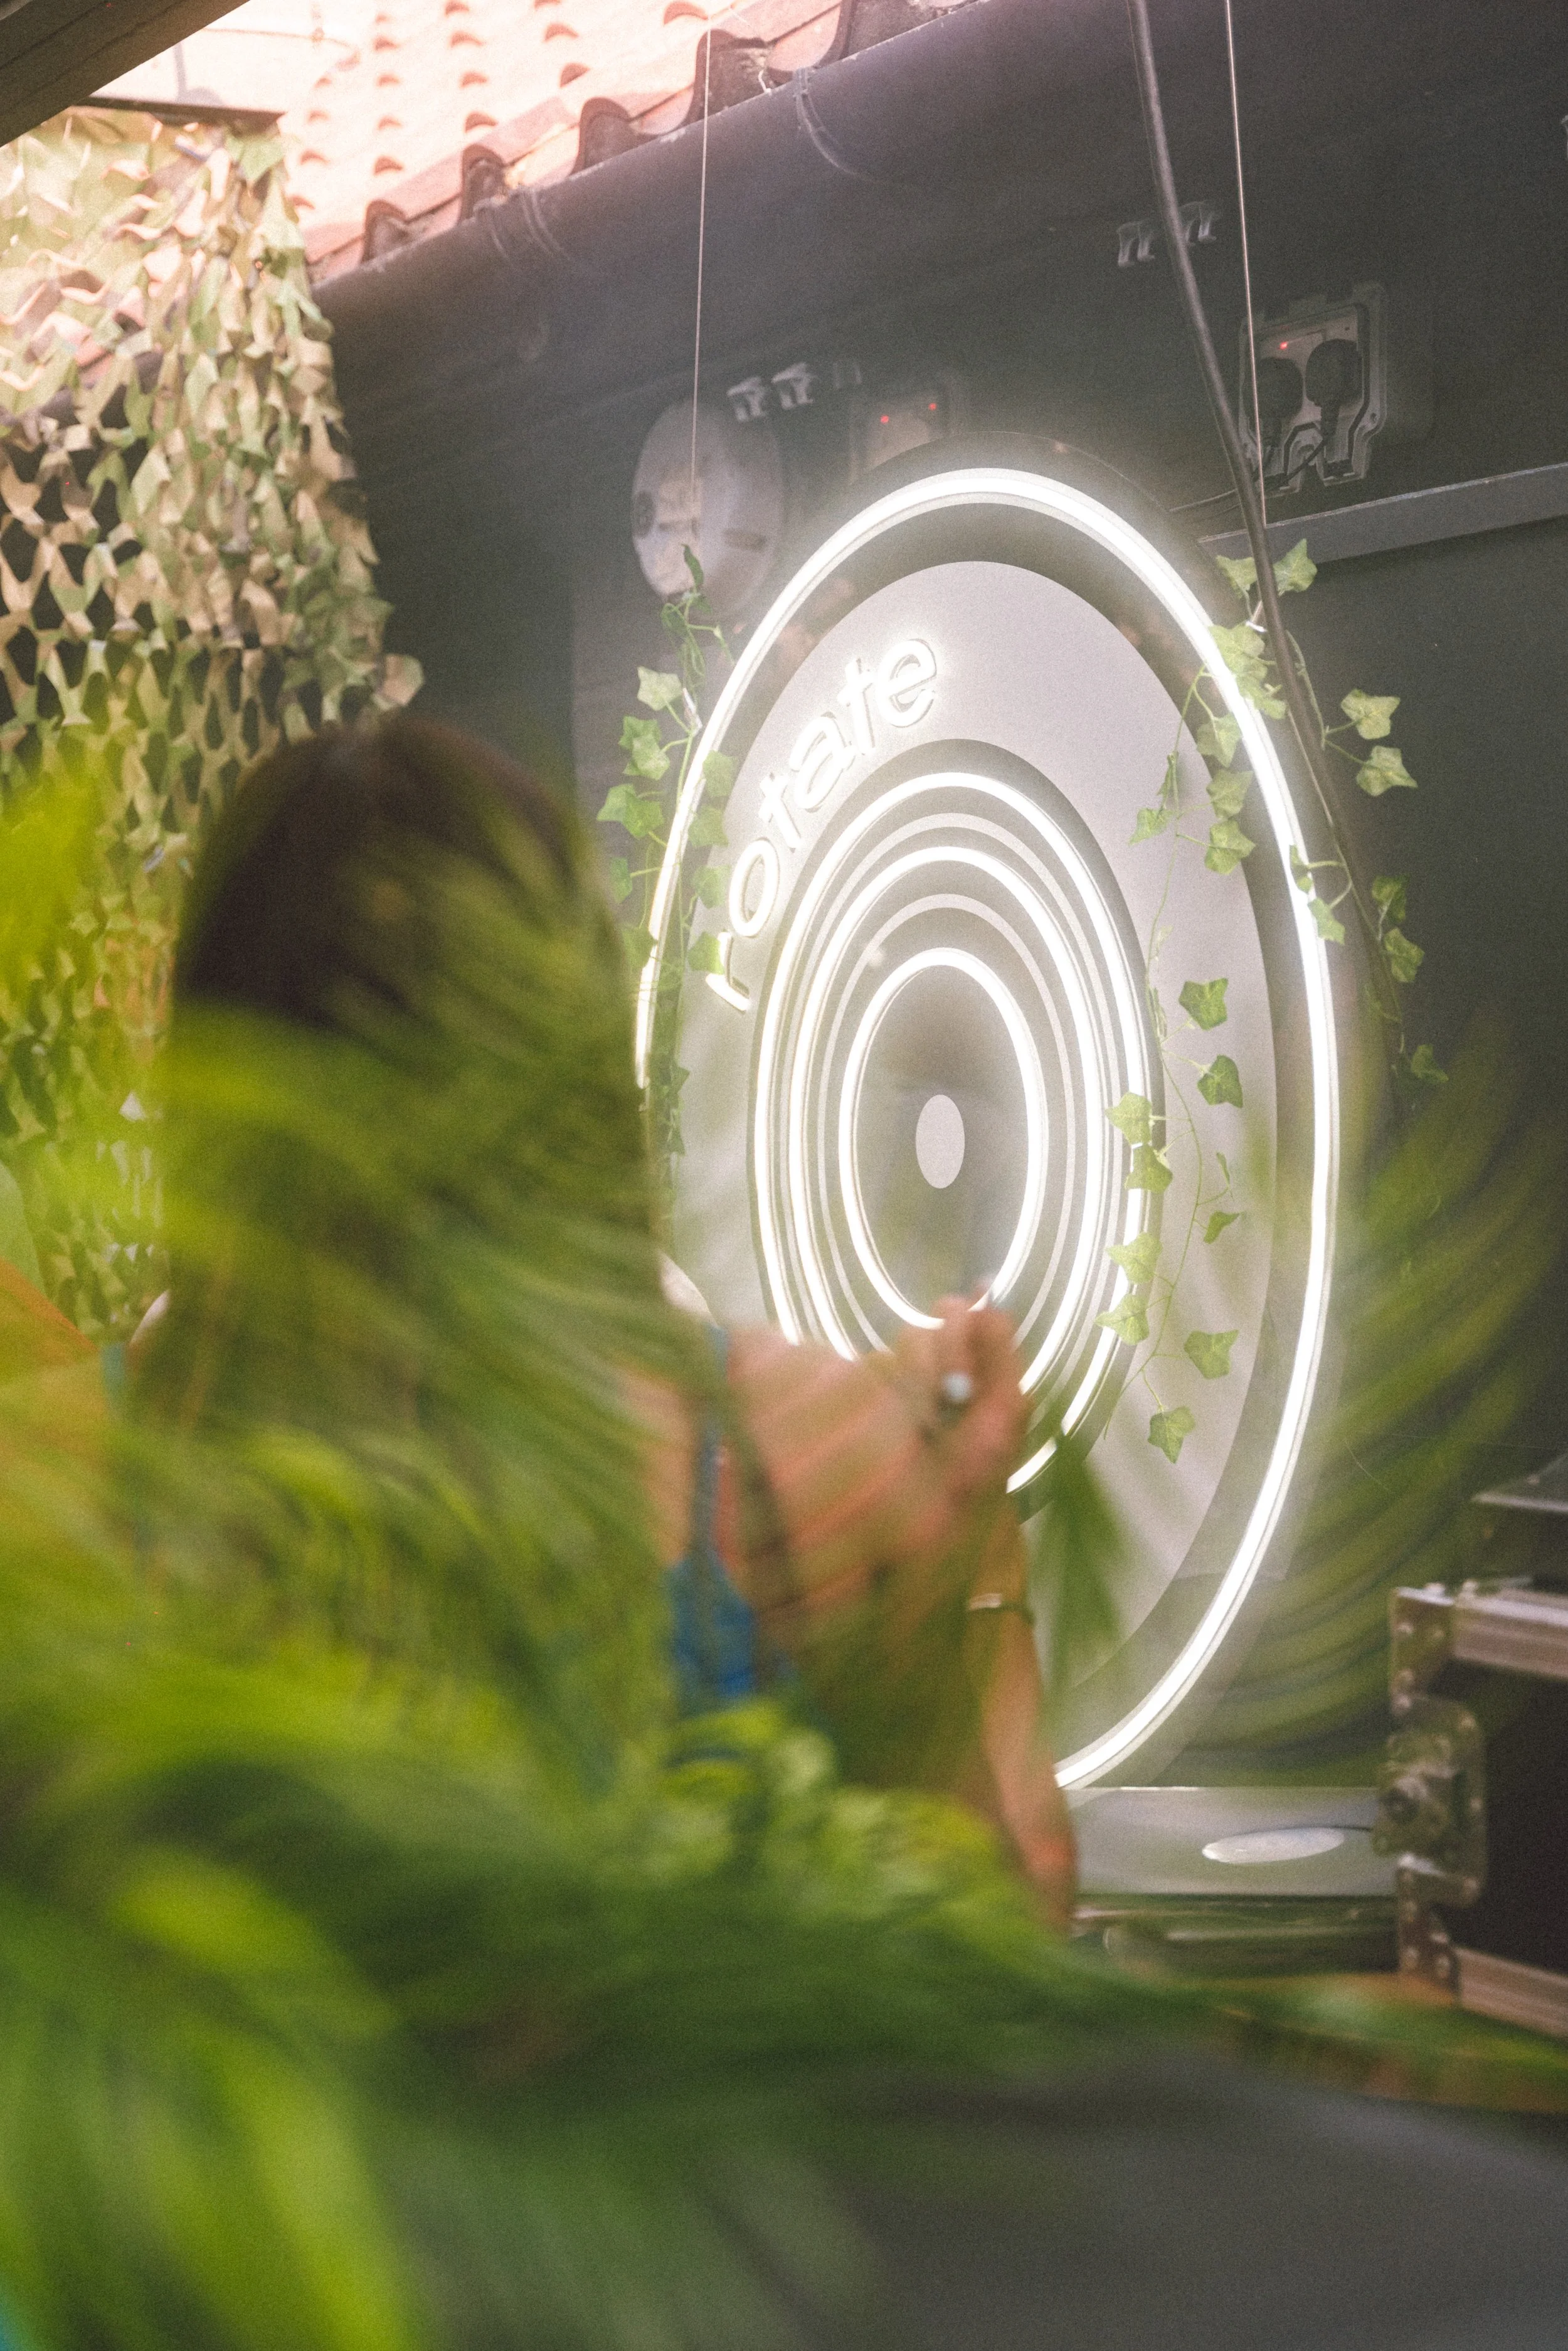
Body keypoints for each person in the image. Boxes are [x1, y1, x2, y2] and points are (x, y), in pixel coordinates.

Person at [140, 716, 1074, 1921]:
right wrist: (972, 1561)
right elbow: (1003, 1936)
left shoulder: (67, 1480)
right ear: (580, 1045)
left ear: (214, 1059)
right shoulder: (809, 1459)